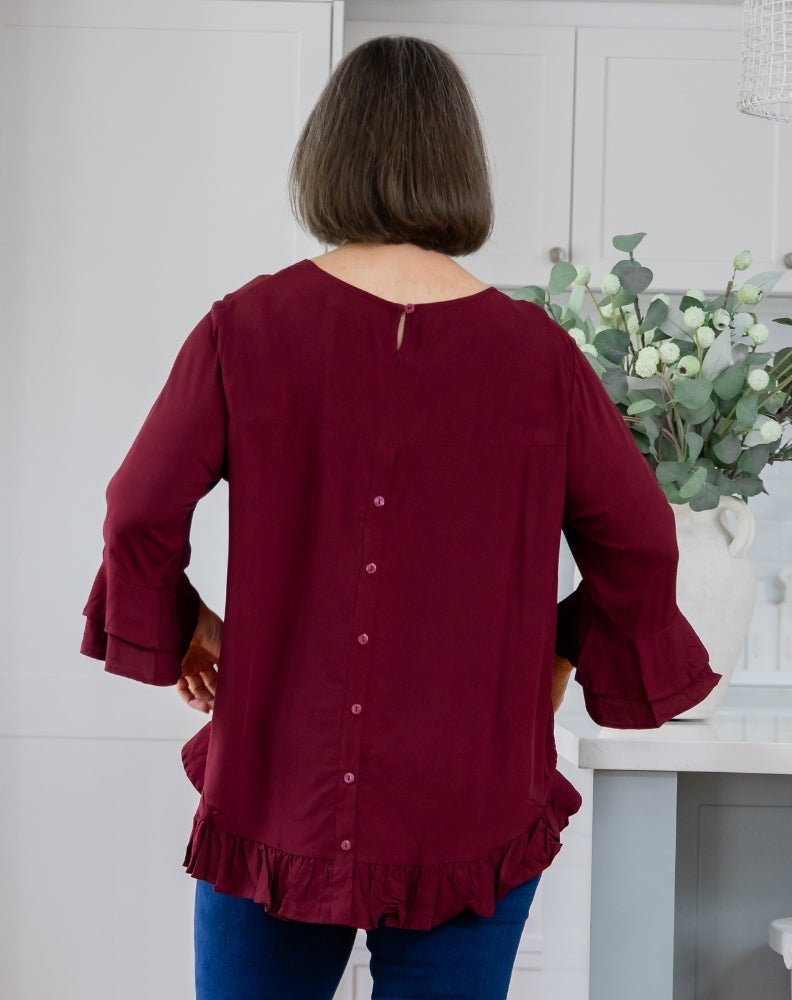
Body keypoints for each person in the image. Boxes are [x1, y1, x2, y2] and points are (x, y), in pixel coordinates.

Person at [80, 35, 720, 1000]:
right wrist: (554, 650)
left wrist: (181, 627)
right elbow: (641, 541)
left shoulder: (244, 329)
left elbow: (137, 508)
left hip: (276, 798)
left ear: (325, 160)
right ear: (461, 164)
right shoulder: (538, 357)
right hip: (472, 804)